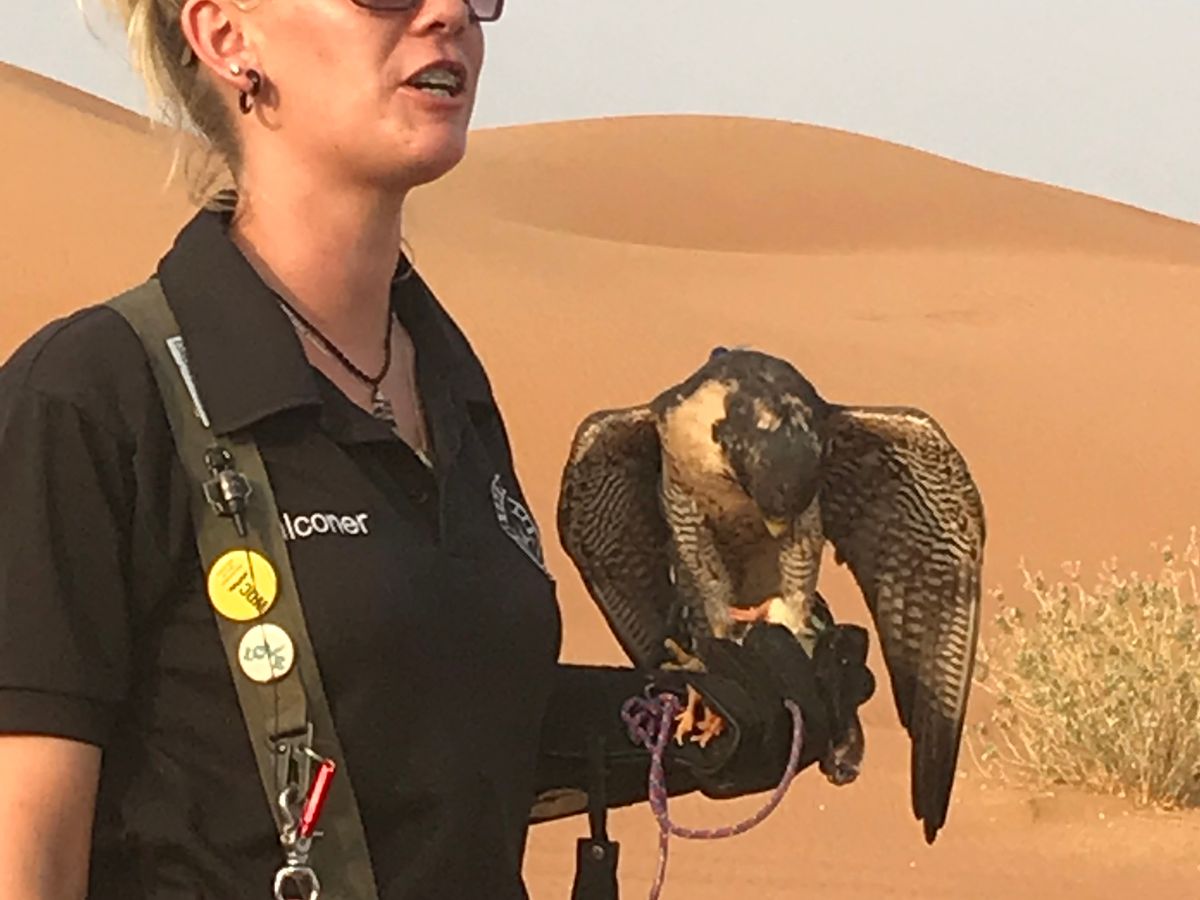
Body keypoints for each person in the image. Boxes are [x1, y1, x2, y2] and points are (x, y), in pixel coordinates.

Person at [0, 1, 874, 897]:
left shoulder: (450, 389)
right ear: (228, 36)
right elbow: (25, 856)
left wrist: (705, 723)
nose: (449, 12)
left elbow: (428, 726)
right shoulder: (94, 399)